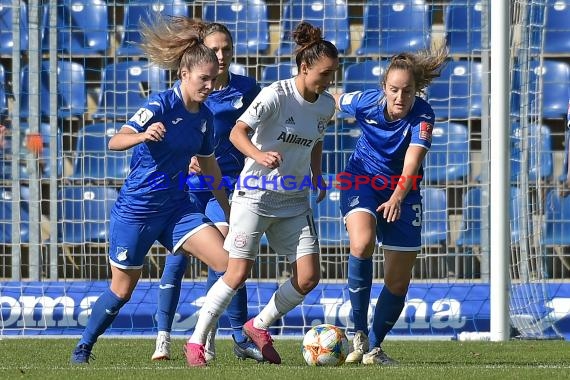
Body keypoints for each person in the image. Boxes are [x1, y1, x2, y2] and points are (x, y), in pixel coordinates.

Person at [70, 17, 230, 364]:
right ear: (184, 75)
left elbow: (209, 165)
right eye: (204, 79)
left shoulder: (205, 117)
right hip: (138, 210)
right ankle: (84, 346)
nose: (209, 85)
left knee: (228, 263)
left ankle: (197, 341)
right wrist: (143, 135)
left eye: (213, 80)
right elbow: (115, 141)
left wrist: (227, 208)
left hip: (175, 207)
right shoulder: (159, 105)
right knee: (122, 291)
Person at [182, 21, 339, 367]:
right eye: (324, 74)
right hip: (254, 195)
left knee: (309, 276)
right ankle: (195, 341)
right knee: (236, 273)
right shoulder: (275, 95)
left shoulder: (325, 105)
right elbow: (238, 133)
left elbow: (316, 139)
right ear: (304, 68)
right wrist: (259, 155)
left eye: (332, 75)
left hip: (294, 200)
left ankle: (259, 325)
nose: (329, 82)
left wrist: (317, 173)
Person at [151, 23, 262, 363]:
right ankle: (163, 339)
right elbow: (171, 134)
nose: (221, 55)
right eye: (215, 49)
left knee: (228, 254)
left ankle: (216, 337)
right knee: (176, 261)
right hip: (186, 187)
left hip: (225, 186)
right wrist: (186, 161)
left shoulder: (247, 89)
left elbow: (260, 131)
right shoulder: (185, 89)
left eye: (227, 48)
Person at [335, 48, 448, 365]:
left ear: (416, 91)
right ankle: (358, 333)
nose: (400, 97)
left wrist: (398, 196)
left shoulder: (423, 116)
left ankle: (373, 346)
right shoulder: (365, 102)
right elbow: (331, 100)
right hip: (360, 181)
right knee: (362, 242)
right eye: (394, 90)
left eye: (407, 91)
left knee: (398, 281)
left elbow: (412, 164)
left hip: (403, 191)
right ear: (384, 87)